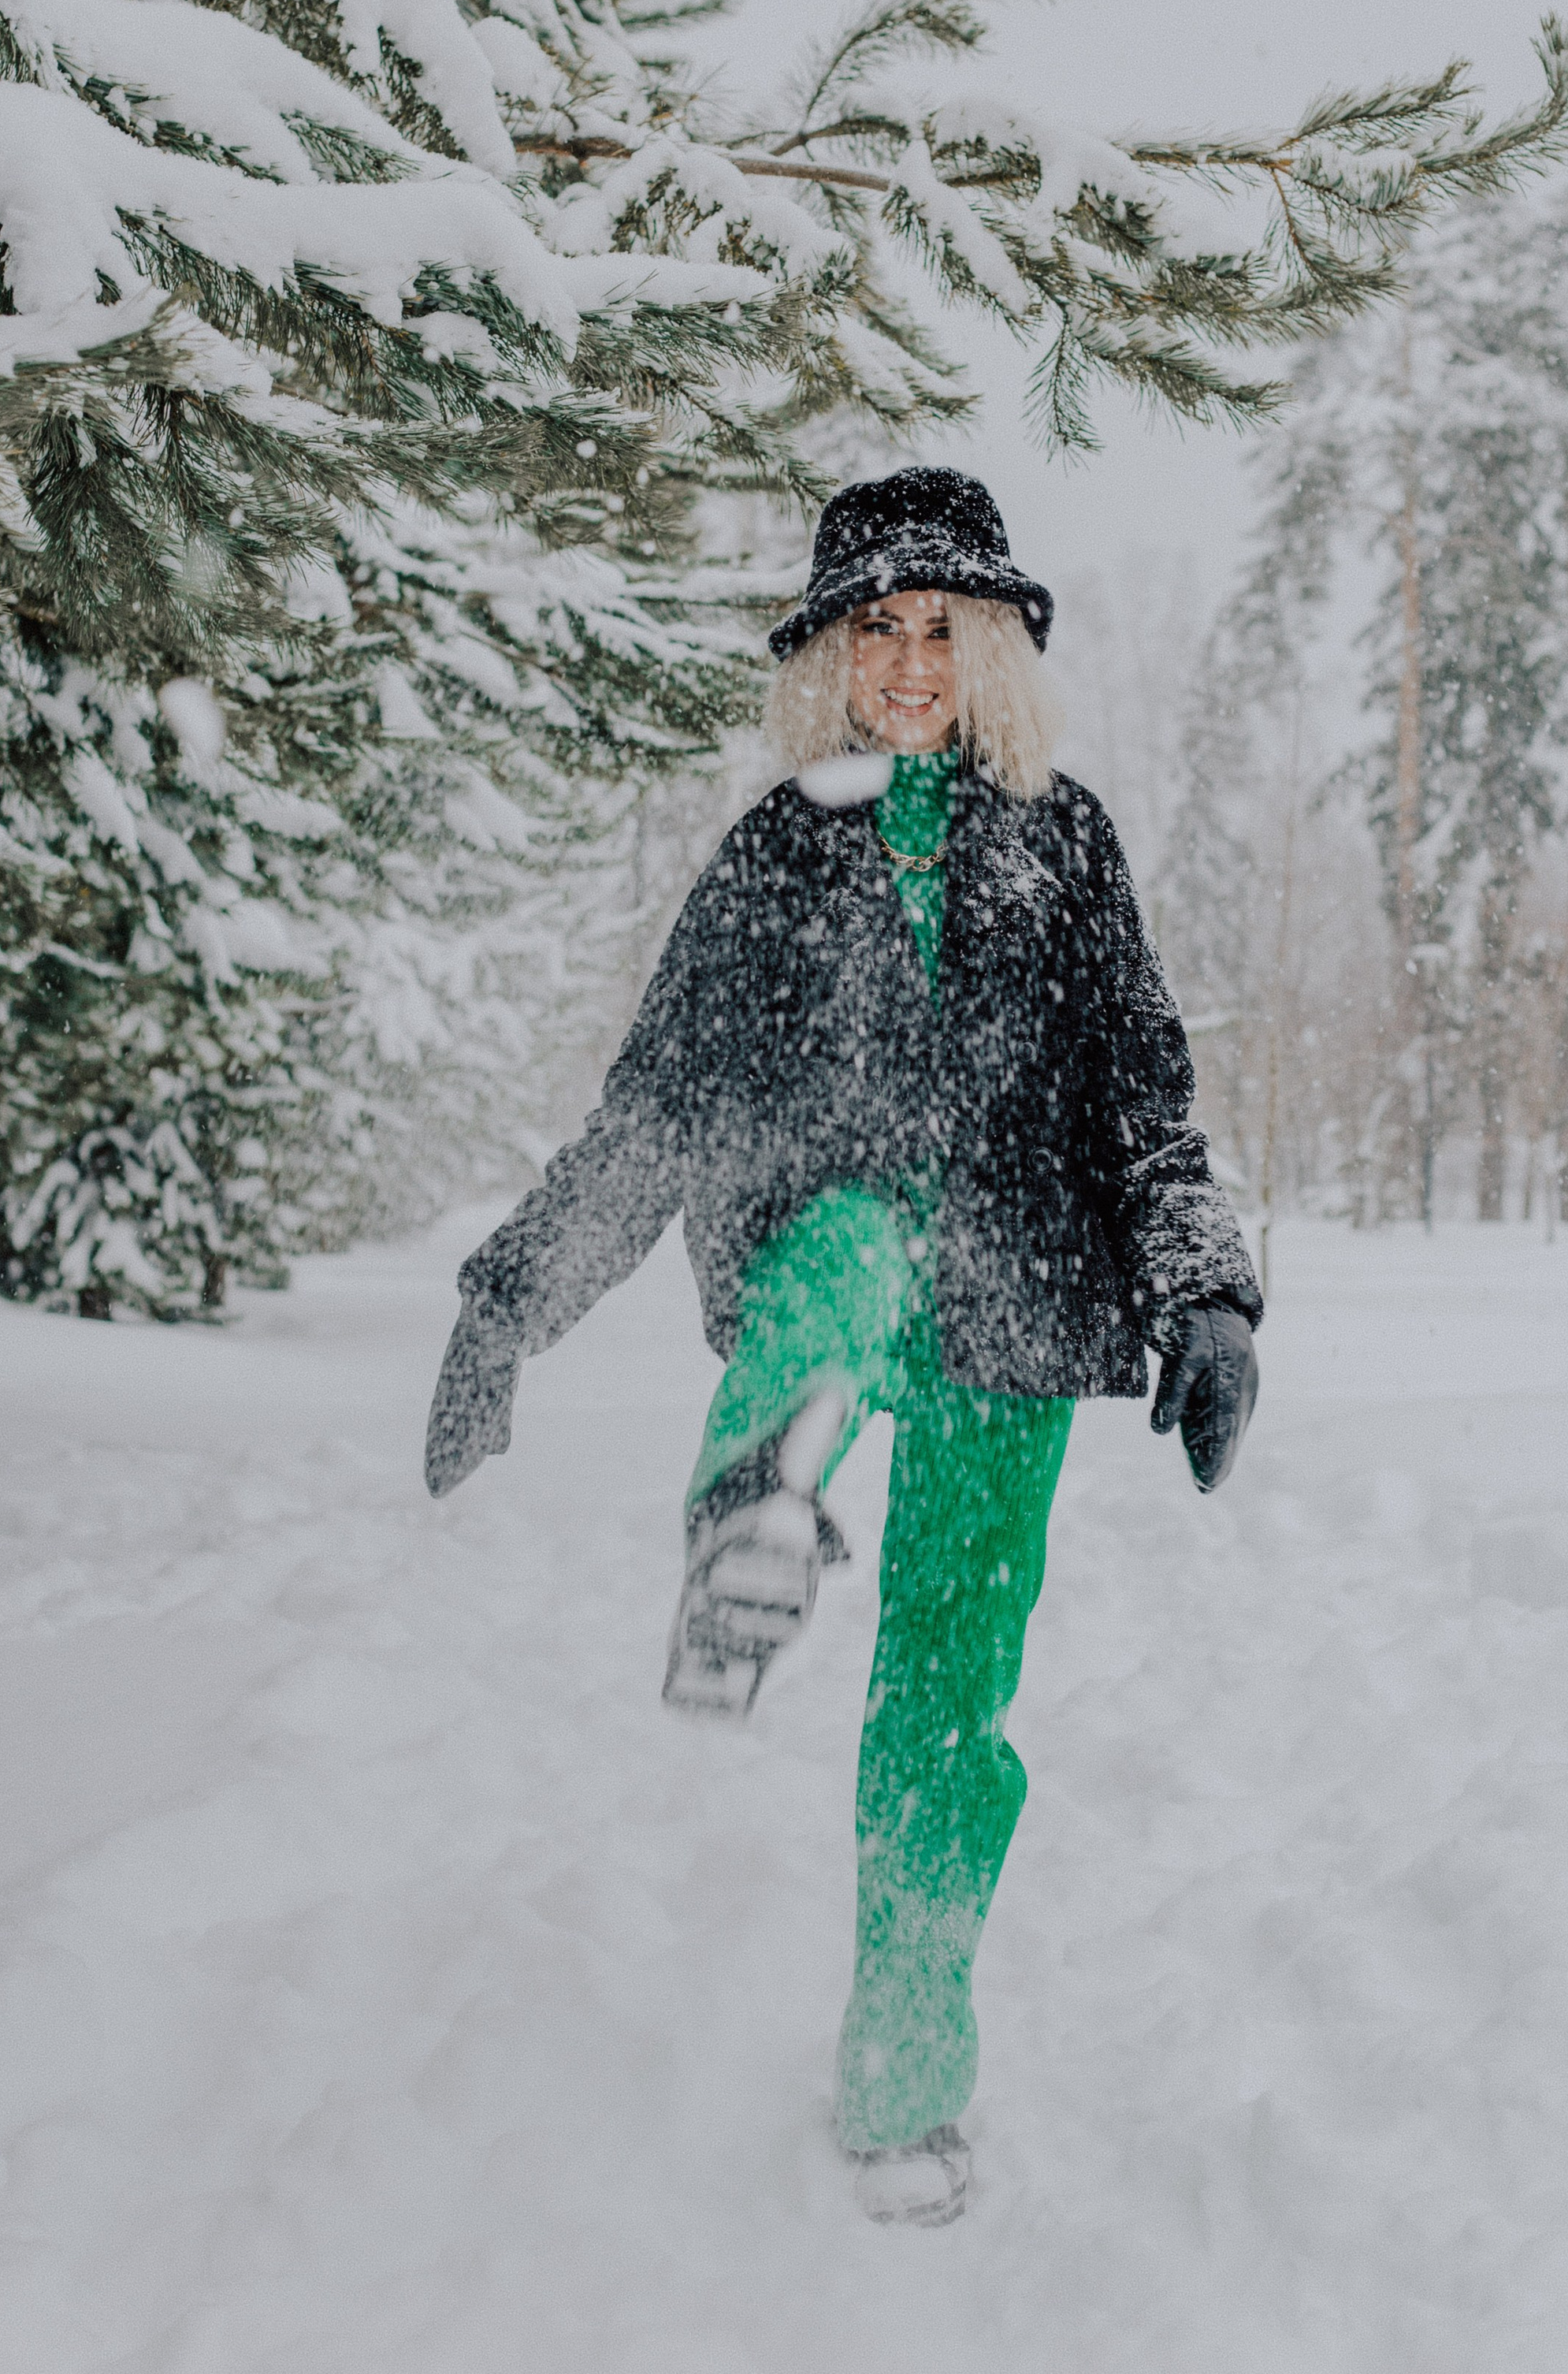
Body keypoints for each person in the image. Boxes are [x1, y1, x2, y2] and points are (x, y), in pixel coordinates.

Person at [423, 467, 1261, 2228]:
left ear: (992, 645)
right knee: (855, 1254)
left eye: (940, 624)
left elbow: (1144, 1099)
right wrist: (510, 1303)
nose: (907, 658)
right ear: (829, 653)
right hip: (835, 1256)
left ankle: (901, 2083)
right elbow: (659, 1108)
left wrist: (1203, 1295)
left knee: (945, 1713)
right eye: (875, 625)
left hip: (1023, 1310)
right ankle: (757, 1502)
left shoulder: (1063, 840)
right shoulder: (779, 850)